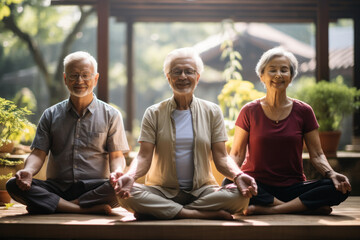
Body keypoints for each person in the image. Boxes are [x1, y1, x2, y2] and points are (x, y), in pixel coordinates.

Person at [111, 47, 257, 220]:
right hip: (161, 191)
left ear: (198, 77)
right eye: (176, 72)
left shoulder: (212, 111)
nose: (182, 77)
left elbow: (222, 157)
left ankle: (163, 212)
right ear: (168, 77)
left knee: (240, 197)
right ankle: (195, 213)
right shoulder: (154, 112)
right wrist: (130, 176)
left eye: (189, 71)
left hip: (203, 191)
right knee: (124, 194)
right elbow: (143, 157)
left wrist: (238, 175)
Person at [223, 47, 351, 215]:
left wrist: (332, 173)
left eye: (284, 70)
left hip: (293, 186)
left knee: (339, 187)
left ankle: (272, 209)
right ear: (262, 76)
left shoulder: (304, 111)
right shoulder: (249, 111)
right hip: (257, 184)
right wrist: (236, 176)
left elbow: (317, 155)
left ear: (290, 77)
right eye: (272, 70)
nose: (278, 74)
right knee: (228, 183)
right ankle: (300, 207)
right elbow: (237, 154)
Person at [6, 51, 129, 215]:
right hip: (57, 187)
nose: (79, 81)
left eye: (85, 75)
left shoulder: (111, 115)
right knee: (13, 184)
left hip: (95, 187)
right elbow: (38, 153)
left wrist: (117, 173)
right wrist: (28, 171)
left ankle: (56, 205)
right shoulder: (50, 115)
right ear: (65, 79)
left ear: (96, 78)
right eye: (74, 76)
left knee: (122, 186)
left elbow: (116, 156)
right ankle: (80, 209)